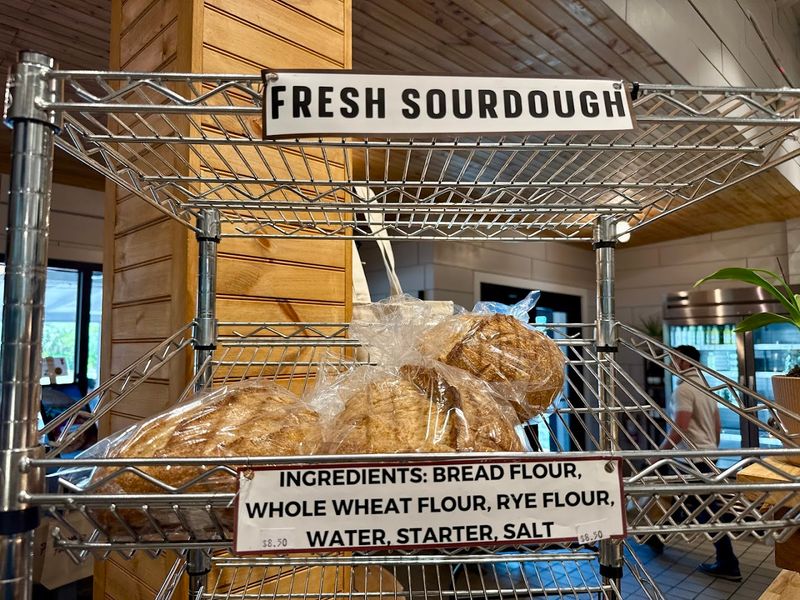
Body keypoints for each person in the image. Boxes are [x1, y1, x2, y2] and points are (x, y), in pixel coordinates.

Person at [649, 345, 741, 581]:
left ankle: (728, 562)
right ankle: (656, 538)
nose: (670, 365)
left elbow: (681, 425)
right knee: (681, 500)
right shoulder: (705, 386)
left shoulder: (684, 390)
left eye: (673, 360)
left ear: (684, 362)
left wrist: (660, 452)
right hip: (707, 455)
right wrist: (712, 450)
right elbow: (717, 424)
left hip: (691, 460)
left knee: (703, 510)